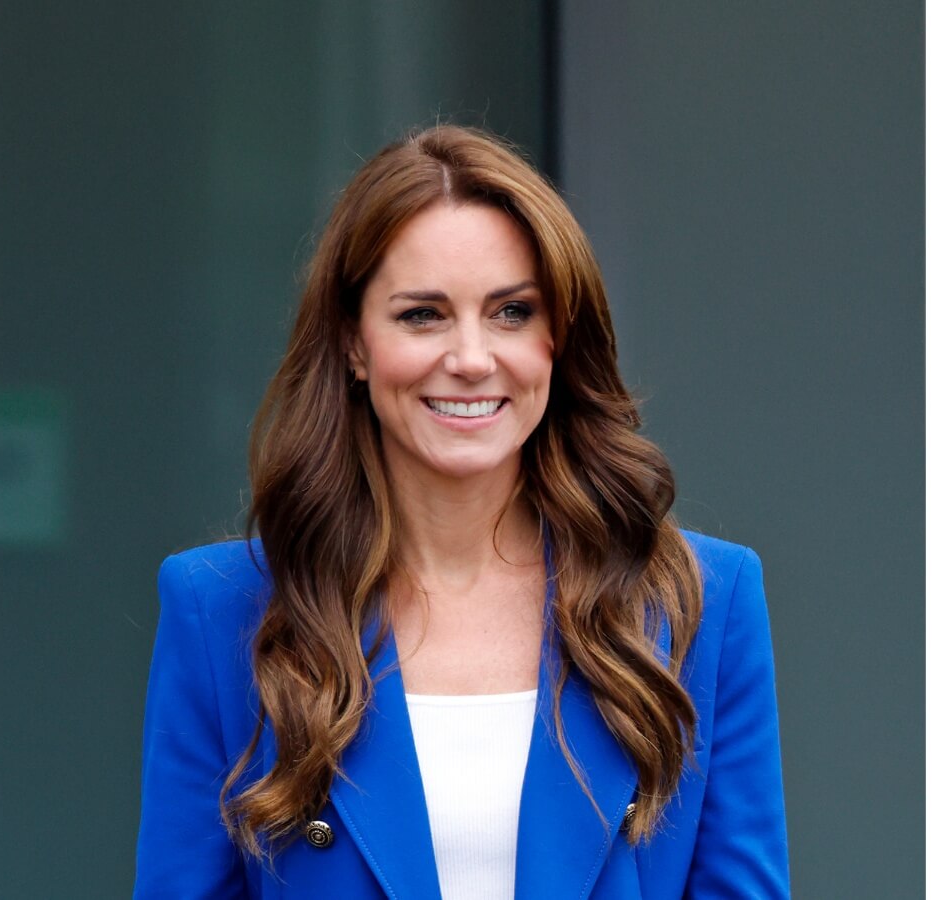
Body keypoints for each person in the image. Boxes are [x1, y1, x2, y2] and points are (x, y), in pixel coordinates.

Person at [134, 125, 789, 899]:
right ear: (354, 343)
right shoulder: (225, 612)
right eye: (423, 315)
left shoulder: (699, 604)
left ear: (558, 338)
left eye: (512, 312)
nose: (473, 358)